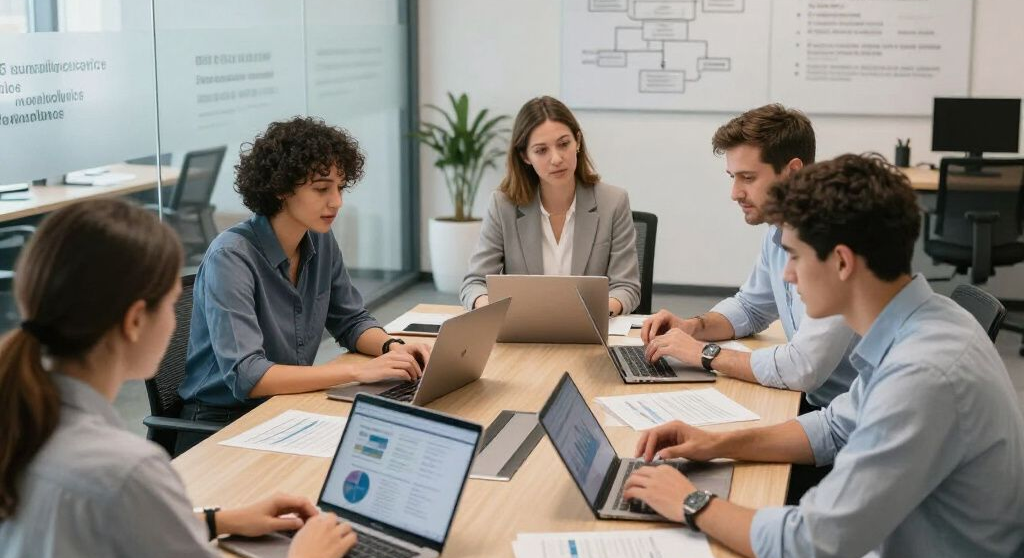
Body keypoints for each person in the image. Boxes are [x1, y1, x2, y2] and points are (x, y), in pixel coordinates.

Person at [623, 154, 1024, 558]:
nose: (787, 274)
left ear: (842, 262)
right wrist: (714, 443)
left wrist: (693, 503)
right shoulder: (923, 323)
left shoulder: (923, 375)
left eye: (796, 256)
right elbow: (833, 428)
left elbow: (812, 543)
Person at [0, 199, 356, 558]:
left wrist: (217, 520)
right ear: (135, 321)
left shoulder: (23, 429)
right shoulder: (127, 471)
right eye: (171, 303)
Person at [179, 117, 431, 435]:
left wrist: (393, 347)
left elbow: (351, 321)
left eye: (340, 188)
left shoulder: (319, 239)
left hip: (284, 407)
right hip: (220, 424)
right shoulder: (231, 257)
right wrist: (358, 372)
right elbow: (248, 375)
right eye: (322, 189)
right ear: (282, 189)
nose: (336, 201)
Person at [641, 104, 857, 410]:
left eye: (747, 178)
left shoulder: (833, 246)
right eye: (732, 176)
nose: (735, 193)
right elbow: (751, 307)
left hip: (845, 417)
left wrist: (703, 353)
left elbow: (802, 368)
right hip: (814, 405)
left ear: (793, 172)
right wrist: (692, 327)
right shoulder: (778, 231)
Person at [460, 96, 641, 316]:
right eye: (541, 150)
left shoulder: (613, 202)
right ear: (525, 156)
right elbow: (474, 283)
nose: (556, 158)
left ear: (578, 142)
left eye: (564, 144)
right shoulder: (503, 205)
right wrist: (493, 309)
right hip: (524, 333)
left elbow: (626, 287)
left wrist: (597, 312)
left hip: (591, 331)